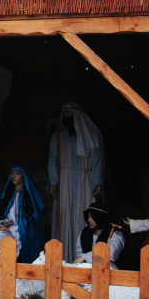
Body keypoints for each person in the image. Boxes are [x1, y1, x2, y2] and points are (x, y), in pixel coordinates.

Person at [0, 166, 44, 295]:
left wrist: (11, 227)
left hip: (21, 233)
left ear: (23, 176)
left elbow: (29, 222)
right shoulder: (12, 194)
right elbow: (11, 216)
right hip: (11, 228)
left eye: (17, 174)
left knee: (2, 240)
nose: (13, 176)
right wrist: (5, 223)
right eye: (12, 173)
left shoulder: (28, 196)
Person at [48, 103, 103, 263]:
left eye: (69, 115)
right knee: (64, 219)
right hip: (63, 183)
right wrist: (54, 182)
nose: (66, 119)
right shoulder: (57, 137)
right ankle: (63, 259)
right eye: (64, 115)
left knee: (82, 217)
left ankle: (83, 259)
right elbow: (52, 160)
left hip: (84, 183)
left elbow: (97, 161)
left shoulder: (91, 136)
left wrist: (97, 182)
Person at [77, 205, 125, 269]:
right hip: (86, 272)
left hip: (109, 272)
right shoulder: (84, 233)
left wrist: (85, 257)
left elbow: (111, 252)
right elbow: (79, 256)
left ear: (99, 217)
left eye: (91, 217)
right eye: (88, 217)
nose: (88, 220)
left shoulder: (116, 234)